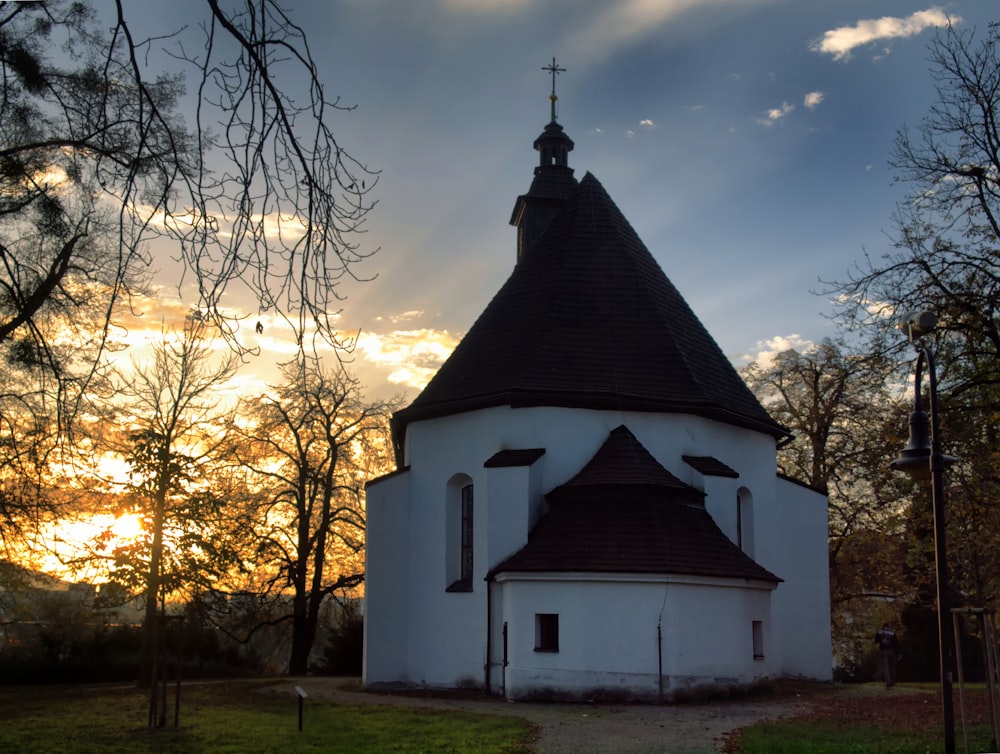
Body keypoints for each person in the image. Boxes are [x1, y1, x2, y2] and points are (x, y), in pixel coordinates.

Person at [874, 622, 900, 688]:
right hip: (891, 651)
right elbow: (896, 643)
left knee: (886, 668)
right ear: (888, 627)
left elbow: (876, 641)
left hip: (883, 651)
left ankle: (888, 682)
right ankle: (892, 681)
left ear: (883, 627)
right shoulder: (892, 633)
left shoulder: (879, 632)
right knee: (892, 667)